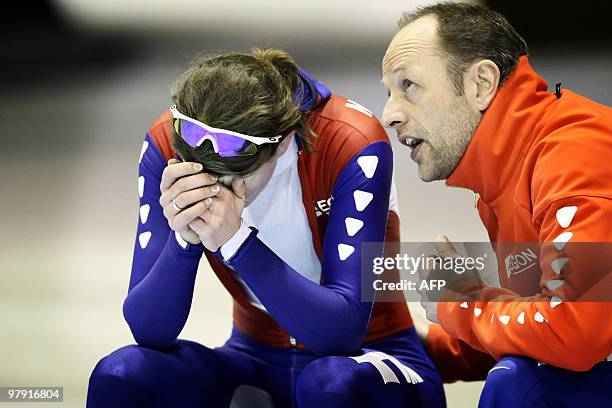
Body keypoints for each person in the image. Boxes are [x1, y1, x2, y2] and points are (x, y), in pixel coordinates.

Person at [87, 48, 445, 407]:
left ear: (283, 142)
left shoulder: (349, 139)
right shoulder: (167, 141)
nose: (216, 190)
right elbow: (148, 330)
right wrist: (184, 239)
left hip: (370, 358)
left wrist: (237, 242)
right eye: (200, 172)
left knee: (331, 385)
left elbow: (342, 335)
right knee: (121, 373)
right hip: (252, 361)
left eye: (235, 176)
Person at [381, 2, 612, 406]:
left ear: (481, 83)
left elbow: (572, 331)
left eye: (408, 86)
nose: (389, 114)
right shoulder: (511, 171)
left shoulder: (573, 156)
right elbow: (534, 323)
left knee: (517, 384)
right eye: (388, 92)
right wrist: (428, 343)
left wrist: (461, 301)